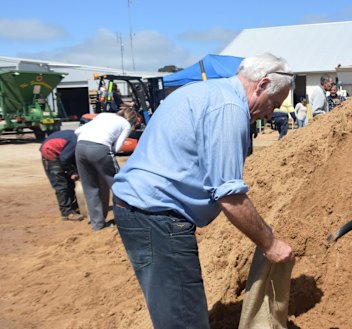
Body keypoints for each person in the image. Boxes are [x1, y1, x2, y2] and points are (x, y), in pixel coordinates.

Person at [111, 53, 295, 329]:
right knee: (185, 321)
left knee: (174, 312)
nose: (271, 113)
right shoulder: (229, 108)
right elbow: (229, 196)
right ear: (262, 84)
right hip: (157, 217)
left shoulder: (206, 90)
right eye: (273, 103)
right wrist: (271, 244)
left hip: (142, 211)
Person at [75, 107, 138, 231]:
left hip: (80, 148)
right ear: (131, 120)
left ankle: (97, 225)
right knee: (118, 184)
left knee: (90, 187)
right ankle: (126, 218)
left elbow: (77, 131)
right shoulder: (125, 124)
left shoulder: (103, 115)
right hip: (100, 149)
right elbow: (117, 148)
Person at [40, 130, 84, 221]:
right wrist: (72, 172)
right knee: (61, 184)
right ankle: (67, 213)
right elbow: (64, 158)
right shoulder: (76, 141)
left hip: (60, 152)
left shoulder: (79, 138)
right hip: (50, 152)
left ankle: (74, 207)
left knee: (70, 183)